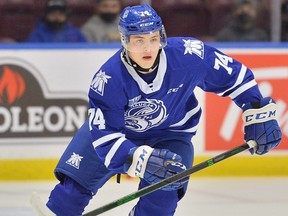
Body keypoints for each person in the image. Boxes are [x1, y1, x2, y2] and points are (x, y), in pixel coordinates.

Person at [44, 4, 282, 216]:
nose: (148, 48)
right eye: (139, 41)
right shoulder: (108, 79)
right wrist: (139, 158)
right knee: (67, 199)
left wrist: (256, 109)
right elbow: (105, 136)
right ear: (125, 41)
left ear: (162, 37)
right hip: (117, 135)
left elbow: (235, 77)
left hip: (172, 134)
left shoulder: (189, 55)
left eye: (153, 38)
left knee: (162, 200)